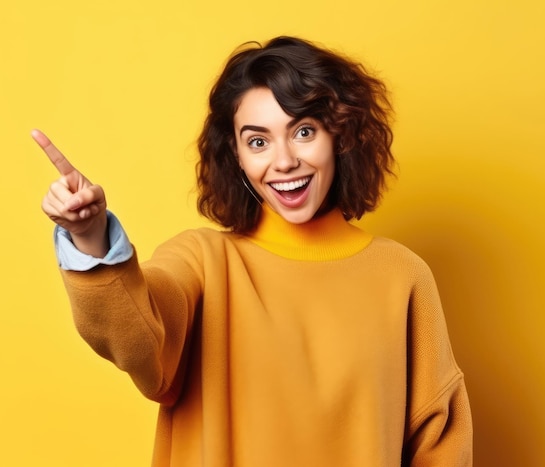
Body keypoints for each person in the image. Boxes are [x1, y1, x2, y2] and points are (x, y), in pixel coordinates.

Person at [34, 36, 472, 467]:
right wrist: (90, 235)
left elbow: (439, 440)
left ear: (340, 136)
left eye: (303, 131)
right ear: (237, 156)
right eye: (258, 141)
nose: (283, 162)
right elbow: (139, 339)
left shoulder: (401, 275)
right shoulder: (203, 262)